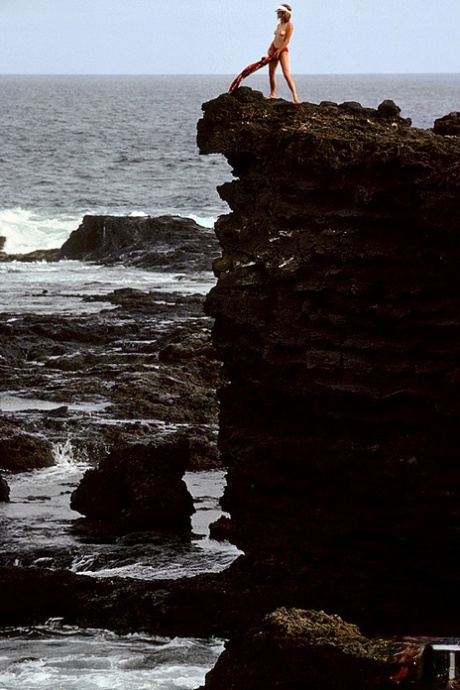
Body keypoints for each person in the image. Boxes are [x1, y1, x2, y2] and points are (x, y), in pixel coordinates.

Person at [268, 4, 300, 103]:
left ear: (283, 13)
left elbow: (287, 40)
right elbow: (275, 38)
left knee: (286, 73)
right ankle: (273, 93)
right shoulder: (279, 25)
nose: (277, 14)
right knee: (271, 72)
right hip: (274, 48)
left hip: (282, 50)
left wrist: (279, 50)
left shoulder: (289, 25)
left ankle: (295, 96)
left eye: (279, 12)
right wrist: (270, 48)